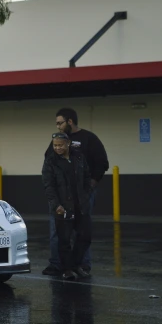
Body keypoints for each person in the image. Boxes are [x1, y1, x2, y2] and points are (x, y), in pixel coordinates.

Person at [42, 108, 108, 276]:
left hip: (82, 196)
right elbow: (48, 164)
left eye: (60, 123)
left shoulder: (89, 139)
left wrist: (90, 186)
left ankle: (82, 264)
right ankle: (58, 264)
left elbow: (101, 163)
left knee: (82, 233)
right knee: (58, 232)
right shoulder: (57, 142)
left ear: (69, 121)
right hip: (61, 196)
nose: (57, 127)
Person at [42, 133, 93, 281]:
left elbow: (87, 177)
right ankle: (67, 269)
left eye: (60, 145)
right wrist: (56, 204)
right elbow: (48, 186)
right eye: (55, 145)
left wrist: (86, 195)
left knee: (85, 236)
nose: (57, 148)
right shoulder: (50, 161)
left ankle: (76, 264)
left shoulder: (79, 157)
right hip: (62, 207)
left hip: (81, 205)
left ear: (68, 143)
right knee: (64, 240)